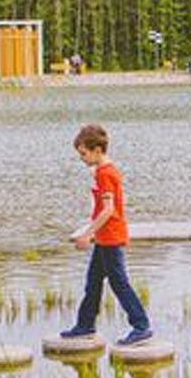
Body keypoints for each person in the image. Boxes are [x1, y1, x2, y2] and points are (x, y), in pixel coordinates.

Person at [57, 123, 154, 347]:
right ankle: (85, 325)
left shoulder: (105, 173)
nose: (81, 158)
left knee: (119, 283)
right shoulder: (104, 171)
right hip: (104, 237)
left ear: (97, 150)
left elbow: (109, 210)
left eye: (83, 153)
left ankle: (141, 326)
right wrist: (93, 234)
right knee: (93, 282)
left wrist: (86, 234)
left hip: (110, 237)